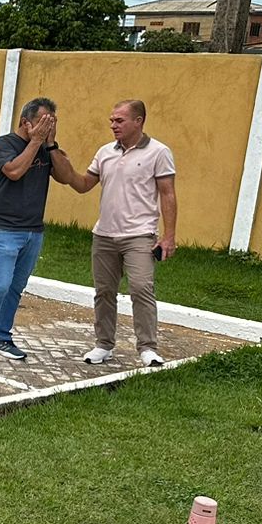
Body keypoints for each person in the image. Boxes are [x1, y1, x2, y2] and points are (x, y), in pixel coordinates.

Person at [63, 99, 177, 368]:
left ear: (138, 121)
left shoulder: (159, 152)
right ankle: (104, 345)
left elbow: (168, 194)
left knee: (141, 288)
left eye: (119, 120)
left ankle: (148, 349)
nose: (113, 125)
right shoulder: (105, 152)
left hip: (140, 235)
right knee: (104, 291)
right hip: (104, 235)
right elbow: (83, 184)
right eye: (112, 120)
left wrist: (169, 237)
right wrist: (62, 164)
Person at [0, 97, 72, 368]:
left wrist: (51, 144)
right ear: (25, 122)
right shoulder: (2, 145)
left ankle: (1, 336)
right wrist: (36, 142)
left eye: (52, 122)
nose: (47, 127)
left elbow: (65, 177)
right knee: (0, 285)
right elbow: (13, 171)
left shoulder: (47, 149)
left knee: (16, 287)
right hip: (2, 228)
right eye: (42, 122)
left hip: (32, 230)